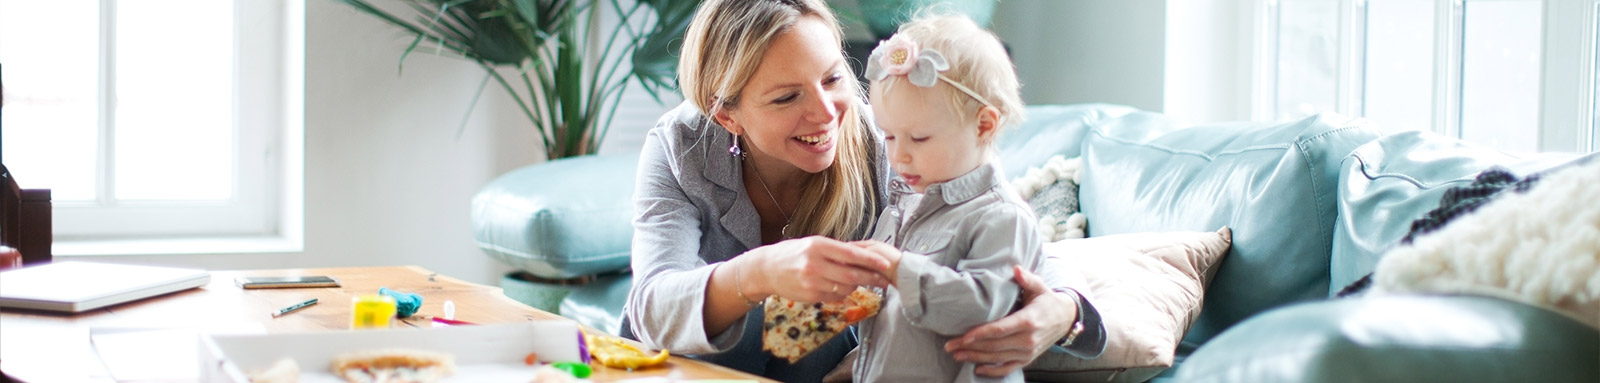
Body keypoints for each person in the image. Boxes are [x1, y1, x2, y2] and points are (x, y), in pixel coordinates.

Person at [622, 0, 1106, 381]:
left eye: (833, 77)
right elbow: (651, 308)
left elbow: (1011, 230)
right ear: (726, 114)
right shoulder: (682, 147)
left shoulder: (892, 142)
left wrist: (1061, 313)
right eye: (787, 96)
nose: (827, 112)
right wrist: (759, 273)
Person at [847, 12, 1038, 383]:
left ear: (984, 125)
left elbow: (982, 305)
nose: (898, 155)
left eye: (918, 138)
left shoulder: (1002, 217)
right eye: (888, 136)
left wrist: (898, 270)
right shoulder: (904, 202)